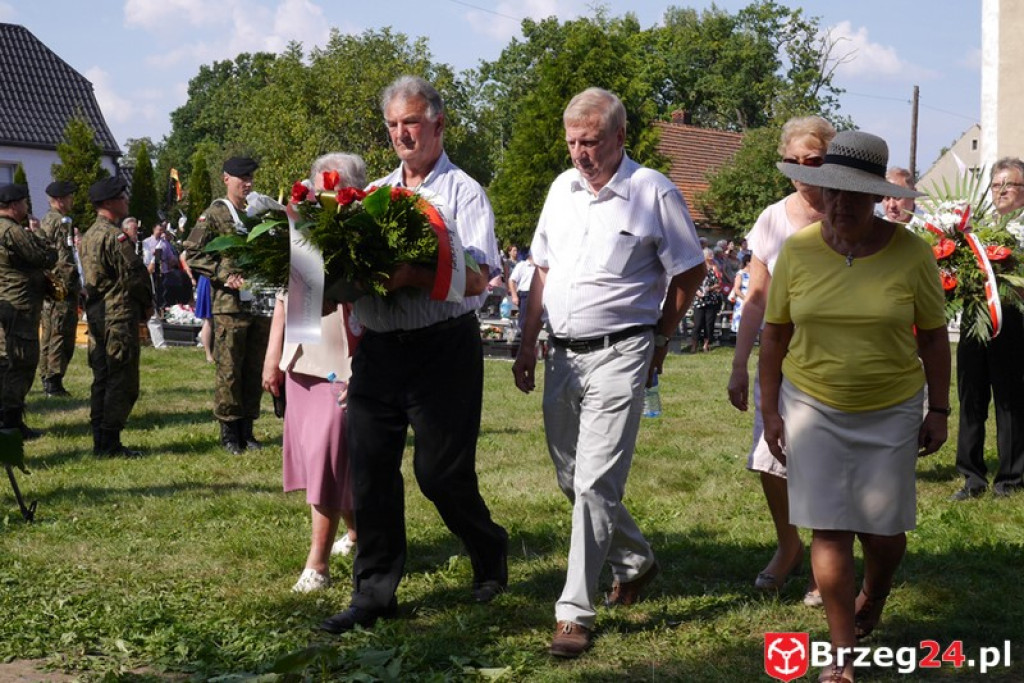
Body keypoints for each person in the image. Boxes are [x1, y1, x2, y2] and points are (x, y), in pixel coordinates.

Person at [512, 87, 705, 659]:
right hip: (562, 353)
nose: (580, 153)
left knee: (596, 482)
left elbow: (689, 272)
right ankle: (636, 560)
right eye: (573, 141)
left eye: (591, 141)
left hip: (623, 351)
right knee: (571, 477)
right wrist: (527, 344)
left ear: (621, 137)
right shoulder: (560, 190)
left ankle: (573, 612)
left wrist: (661, 340)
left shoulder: (652, 192)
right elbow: (540, 271)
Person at [759, 130, 950, 683]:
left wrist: (938, 410)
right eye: (831, 194)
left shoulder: (911, 253)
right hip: (812, 404)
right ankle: (842, 656)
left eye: (854, 196)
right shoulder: (798, 250)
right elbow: (775, 335)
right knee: (831, 529)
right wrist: (771, 410)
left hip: (890, 407)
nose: (840, 205)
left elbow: (935, 338)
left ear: (875, 198)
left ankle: (876, 591)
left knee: (885, 534)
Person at [320, 75, 508, 634]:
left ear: (439, 125)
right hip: (378, 350)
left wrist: (410, 273)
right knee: (372, 471)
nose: (403, 134)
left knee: (440, 473)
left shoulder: (464, 193)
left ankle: (488, 546)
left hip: (441, 350)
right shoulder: (371, 195)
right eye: (394, 125)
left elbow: (476, 279)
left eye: (413, 123)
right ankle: (373, 595)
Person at [726, 115, 835, 605]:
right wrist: (737, 365)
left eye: (812, 161)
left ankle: (825, 558)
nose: (802, 171)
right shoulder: (773, 218)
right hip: (781, 356)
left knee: (826, 464)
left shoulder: (847, 213)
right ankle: (789, 544)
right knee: (771, 460)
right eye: (792, 162)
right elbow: (756, 297)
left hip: (836, 358)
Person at [261, 152, 365, 593]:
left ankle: (316, 564)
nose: (328, 194)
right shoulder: (302, 227)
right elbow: (286, 296)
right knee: (319, 457)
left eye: (337, 187)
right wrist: (273, 357)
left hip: (343, 359)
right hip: (302, 358)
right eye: (322, 187)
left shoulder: (367, 233)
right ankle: (358, 532)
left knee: (326, 455)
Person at [184, 156, 271, 454]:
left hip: (257, 301)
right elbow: (193, 252)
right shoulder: (215, 213)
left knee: (253, 367)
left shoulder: (258, 211)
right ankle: (229, 432)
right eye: (241, 178)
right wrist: (223, 274)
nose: (247, 183)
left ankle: (248, 429)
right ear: (226, 179)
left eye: (250, 178)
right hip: (229, 306)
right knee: (230, 369)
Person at [951, 156, 1024, 500]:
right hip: (973, 318)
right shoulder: (976, 228)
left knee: (1009, 400)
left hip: (1013, 322)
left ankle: (1010, 479)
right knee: (970, 396)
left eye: (1010, 185)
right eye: (997, 185)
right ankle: (972, 477)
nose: (1002, 191)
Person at [79, 177, 154, 457]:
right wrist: (147, 303)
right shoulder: (114, 236)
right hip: (118, 314)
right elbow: (134, 274)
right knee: (122, 380)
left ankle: (100, 437)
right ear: (109, 202)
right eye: (122, 196)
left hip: (97, 315)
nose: (126, 200)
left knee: (102, 377)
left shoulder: (88, 235)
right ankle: (109, 441)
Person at [0, 183, 56, 438]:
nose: (27, 206)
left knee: (6, 359)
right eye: (24, 202)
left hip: (6, 302)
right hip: (20, 304)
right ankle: (11, 421)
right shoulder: (12, 230)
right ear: (13, 205)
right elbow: (44, 258)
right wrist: (40, 235)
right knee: (22, 361)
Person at [38, 180, 80, 398]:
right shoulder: (62, 222)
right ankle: (54, 380)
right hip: (61, 286)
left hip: (48, 283)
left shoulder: (46, 219)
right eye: (70, 197)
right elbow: (64, 258)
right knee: (61, 333)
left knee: (49, 331)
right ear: (60, 200)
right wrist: (71, 285)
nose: (72, 200)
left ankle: (46, 376)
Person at [181, 252, 214, 363]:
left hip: (215, 280)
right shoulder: (202, 238)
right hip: (207, 279)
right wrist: (190, 275)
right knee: (208, 319)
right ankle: (208, 354)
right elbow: (183, 256)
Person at [689, 247, 723, 353]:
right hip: (699, 299)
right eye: (709, 254)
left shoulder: (714, 267)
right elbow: (691, 282)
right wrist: (697, 292)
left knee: (709, 324)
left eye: (712, 254)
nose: (711, 256)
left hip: (711, 299)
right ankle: (693, 346)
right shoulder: (697, 268)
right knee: (697, 324)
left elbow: (719, 283)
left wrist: (710, 288)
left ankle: (705, 345)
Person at [508, 253, 535, 332]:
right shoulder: (522, 265)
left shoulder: (539, 267)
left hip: (537, 295)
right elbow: (512, 280)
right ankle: (522, 338)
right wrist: (514, 296)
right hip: (525, 294)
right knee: (524, 321)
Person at [728, 252, 751, 334]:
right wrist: (746, 299)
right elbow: (737, 289)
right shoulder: (741, 273)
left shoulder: (755, 274)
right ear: (747, 262)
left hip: (753, 301)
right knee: (741, 325)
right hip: (742, 301)